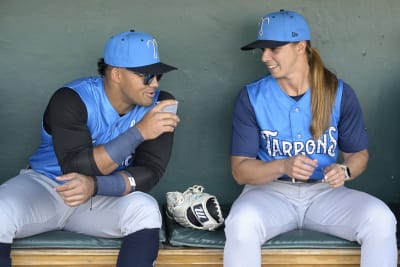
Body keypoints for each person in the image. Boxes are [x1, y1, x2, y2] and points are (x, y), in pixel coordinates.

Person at [224, 10, 397, 267]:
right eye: (262, 50)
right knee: (241, 223)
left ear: (300, 46)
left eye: (273, 49)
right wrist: (283, 165)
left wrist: (345, 171)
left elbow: (358, 155)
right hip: (269, 194)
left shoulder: (338, 92)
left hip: (325, 195)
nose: (264, 57)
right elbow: (240, 171)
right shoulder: (252, 97)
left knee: (381, 218)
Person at [0, 30, 180, 267]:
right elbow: (76, 165)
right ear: (116, 73)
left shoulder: (159, 103)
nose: (154, 83)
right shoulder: (72, 98)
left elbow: (150, 171)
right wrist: (140, 132)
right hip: (47, 186)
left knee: (145, 209)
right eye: (146, 75)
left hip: (104, 194)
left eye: (158, 75)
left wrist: (97, 186)